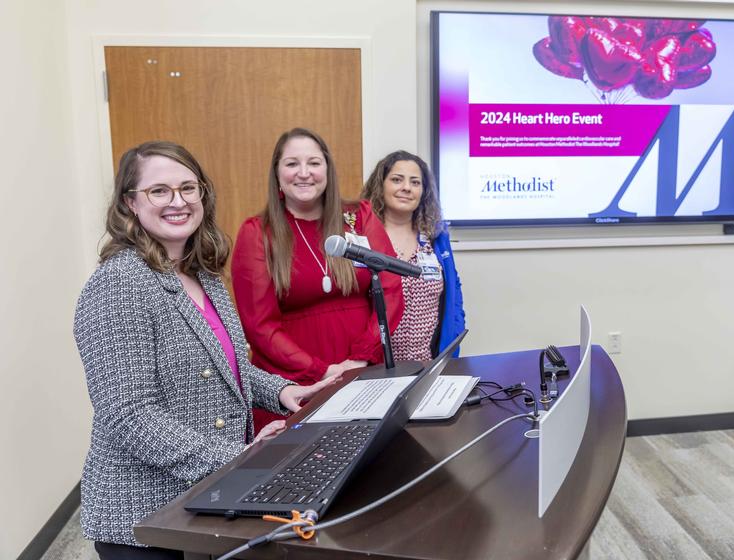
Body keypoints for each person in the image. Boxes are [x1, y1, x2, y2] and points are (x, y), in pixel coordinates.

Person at [74, 141, 332, 559]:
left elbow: (221, 367)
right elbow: (127, 415)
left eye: (188, 188)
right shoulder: (119, 284)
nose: (178, 201)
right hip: (147, 516)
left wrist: (284, 392)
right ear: (130, 204)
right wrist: (238, 457)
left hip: (204, 501)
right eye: (159, 191)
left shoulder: (202, 274)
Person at [231, 128, 404, 433]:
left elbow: (389, 290)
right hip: (296, 386)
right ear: (277, 173)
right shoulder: (258, 233)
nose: (304, 173)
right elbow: (260, 327)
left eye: (313, 162)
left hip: (363, 374)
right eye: (291, 164)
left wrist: (361, 358)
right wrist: (321, 370)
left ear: (327, 168)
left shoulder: (358, 217)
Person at [361, 151, 466, 361]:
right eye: (397, 180)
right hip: (375, 367)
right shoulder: (363, 237)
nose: (406, 188)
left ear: (423, 191)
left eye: (415, 182)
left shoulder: (435, 237)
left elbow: (453, 292)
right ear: (380, 185)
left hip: (428, 366)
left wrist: (452, 345)